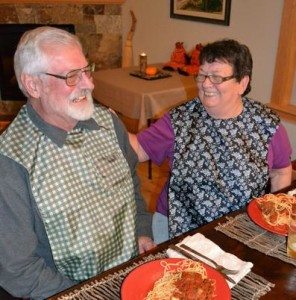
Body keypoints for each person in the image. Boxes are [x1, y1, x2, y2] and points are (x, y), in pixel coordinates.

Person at [0, 26, 155, 299]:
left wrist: (142, 229)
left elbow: (130, 179)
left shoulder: (108, 123)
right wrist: (87, 295)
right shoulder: (11, 163)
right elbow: (18, 270)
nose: (89, 84)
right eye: (72, 76)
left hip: (129, 268)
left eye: (87, 70)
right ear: (33, 84)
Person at [129, 39, 292, 244]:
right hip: (178, 230)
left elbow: (281, 171)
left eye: (216, 77)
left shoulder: (266, 124)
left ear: (242, 83)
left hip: (242, 231)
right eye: (203, 75)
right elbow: (136, 150)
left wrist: (274, 219)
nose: (206, 84)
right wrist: (108, 123)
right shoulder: (181, 119)